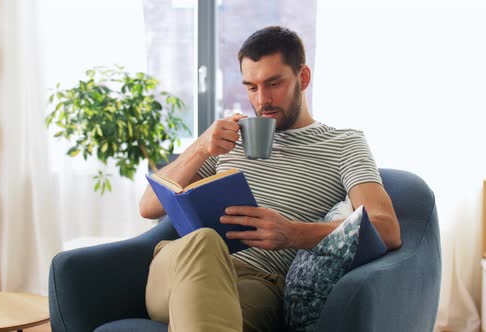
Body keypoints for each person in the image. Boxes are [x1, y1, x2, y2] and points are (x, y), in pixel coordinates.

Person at [138, 26, 401, 332]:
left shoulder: (344, 145)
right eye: (251, 87)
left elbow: (387, 229)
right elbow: (148, 205)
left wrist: (292, 234)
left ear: (302, 78)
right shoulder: (228, 139)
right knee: (206, 241)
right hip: (178, 267)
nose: (262, 100)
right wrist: (199, 147)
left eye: (273, 83)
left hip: (260, 283)